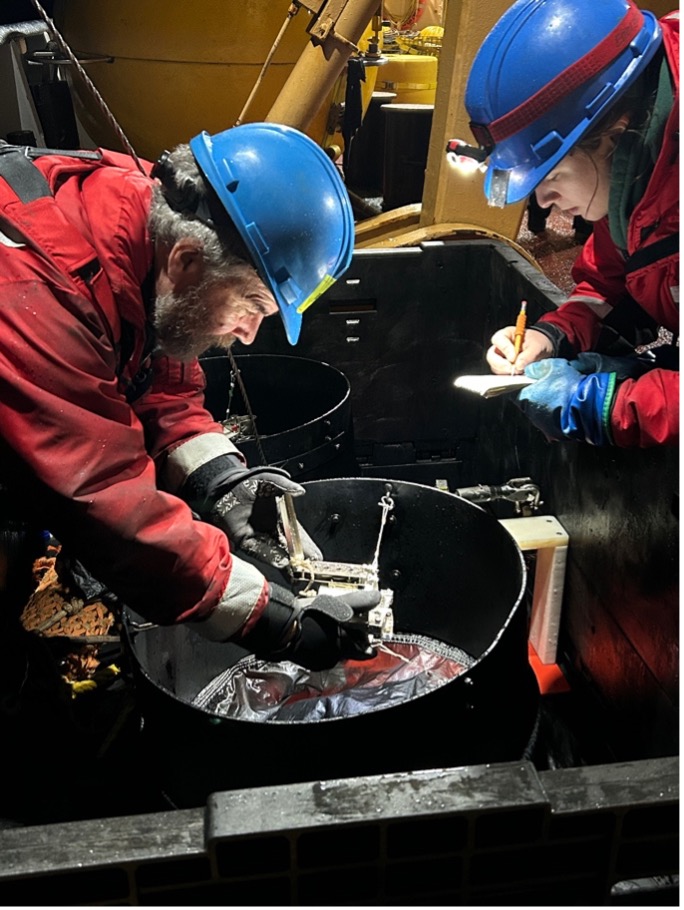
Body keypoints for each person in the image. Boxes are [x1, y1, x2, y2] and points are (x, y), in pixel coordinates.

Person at [0, 122, 379, 681]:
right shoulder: (33, 292)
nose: (250, 333)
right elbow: (105, 504)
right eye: (252, 303)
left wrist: (223, 482)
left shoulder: (148, 218)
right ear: (186, 263)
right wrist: (275, 620)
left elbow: (161, 377)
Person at [463, 0, 678, 447]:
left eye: (553, 173)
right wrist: (552, 335)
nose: (542, 200)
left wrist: (613, 405)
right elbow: (607, 282)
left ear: (615, 133)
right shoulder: (633, 178)